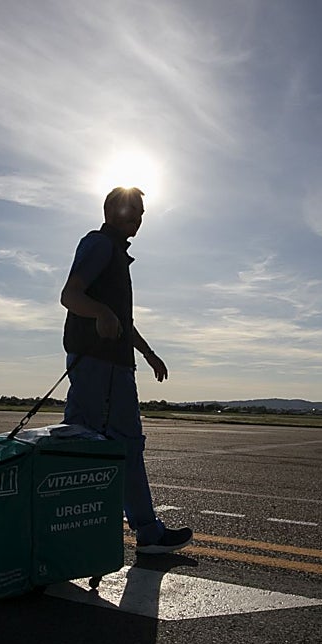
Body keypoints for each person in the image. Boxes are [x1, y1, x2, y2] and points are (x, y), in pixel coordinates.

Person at [59, 186, 194, 554]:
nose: (138, 218)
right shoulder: (100, 245)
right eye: (132, 209)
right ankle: (145, 532)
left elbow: (120, 319)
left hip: (110, 363)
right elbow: (70, 296)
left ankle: (69, 528)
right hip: (101, 365)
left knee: (84, 442)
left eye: (141, 211)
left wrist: (148, 353)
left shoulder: (114, 252)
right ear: (112, 211)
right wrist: (100, 313)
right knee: (119, 444)